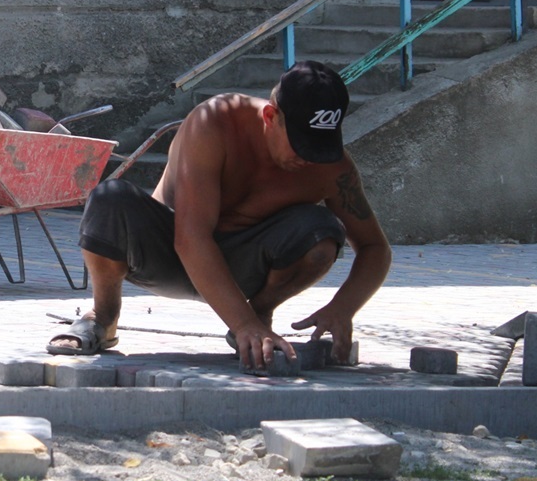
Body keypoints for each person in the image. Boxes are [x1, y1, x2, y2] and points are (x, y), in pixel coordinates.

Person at [46, 60, 391, 369]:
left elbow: (375, 248)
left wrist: (344, 307)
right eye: (302, 144)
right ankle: (103, 316)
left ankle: (258, 315)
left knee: (322, 232)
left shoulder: (333, 170)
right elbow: (191, 237)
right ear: (271, 117)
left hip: (246, 266)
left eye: (321, 146)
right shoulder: (216, 123)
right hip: (168, 255)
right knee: (109, 199)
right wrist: (242, 325)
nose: (310, 158)